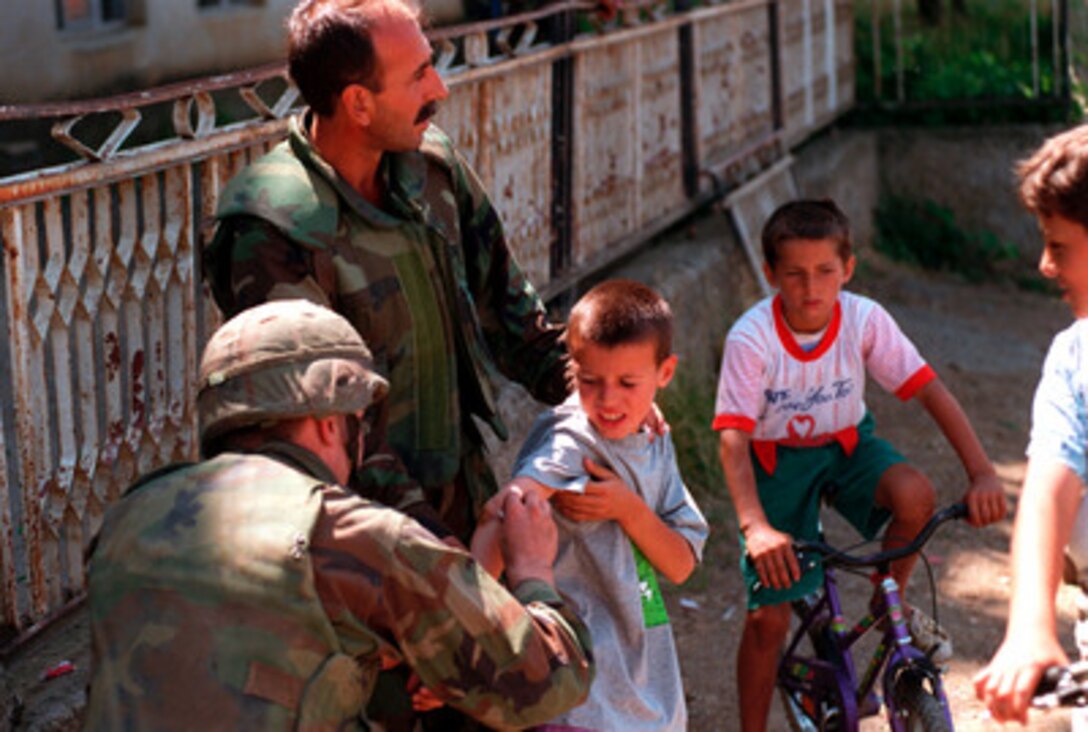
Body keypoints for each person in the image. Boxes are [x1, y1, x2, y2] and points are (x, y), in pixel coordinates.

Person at [84, 299, 594, 731]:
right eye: (358, 421)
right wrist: (533, 571)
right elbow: (546, 680)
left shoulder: (130, 517)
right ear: (330, 424)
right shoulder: (351, 534)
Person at [203, 0, 569, 546]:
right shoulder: (274, 225)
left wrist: (595, 391)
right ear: (358, 104)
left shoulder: (432, 169)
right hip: (353, 540)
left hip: (458, 499)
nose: (439, 90)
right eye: (419, 75)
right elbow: (321, 417)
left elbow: (511, 314)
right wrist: (424, 539)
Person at [713, 199, 1007, 732]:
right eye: (795, 274)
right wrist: (755, 525)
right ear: (770, 274)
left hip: (847, 445)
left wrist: (983, 472)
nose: (811, 288)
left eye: (826, 271)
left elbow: (929, 390)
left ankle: (886, 592)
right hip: (774, 460)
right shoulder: (750, 337)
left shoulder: (863, 318)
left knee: (915, 495)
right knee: (768, 619)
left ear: (847, 269)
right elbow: (732, 436)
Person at [472, 279, 709, 731]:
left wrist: (629, 509)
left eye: (627, 382)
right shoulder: (570, 441)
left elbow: (680, 565)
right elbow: (507, 511)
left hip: (645, 681)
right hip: (577, 687)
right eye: (590, 381)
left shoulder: (655, 439)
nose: (608, 399)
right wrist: (458, 630)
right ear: (571, 370)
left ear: (666, 373)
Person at [974, 124, 1088, 727]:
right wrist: (1028, 628)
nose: (1045, 265)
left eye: (1059, 245)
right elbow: (1048, 486)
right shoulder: (1075, 359)